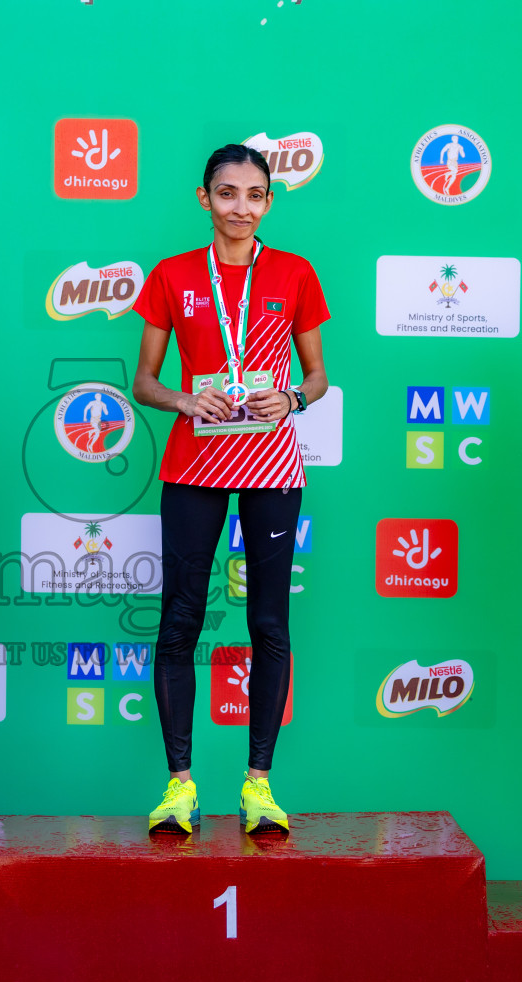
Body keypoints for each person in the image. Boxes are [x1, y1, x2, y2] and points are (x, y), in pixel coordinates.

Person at [131, 144, 329, 836]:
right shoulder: (174, 275)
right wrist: (185, 401)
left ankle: (259, 787)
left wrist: (293, 400)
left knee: (268, 624)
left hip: (272, 465)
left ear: (269, 203)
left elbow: (317, 377)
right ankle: (180, 786)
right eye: (226, 193)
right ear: (204, 198)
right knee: (180, 620)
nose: (240, 206)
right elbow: (144, 382)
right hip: (195, 466)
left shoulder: (294, 273)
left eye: (254, 195)